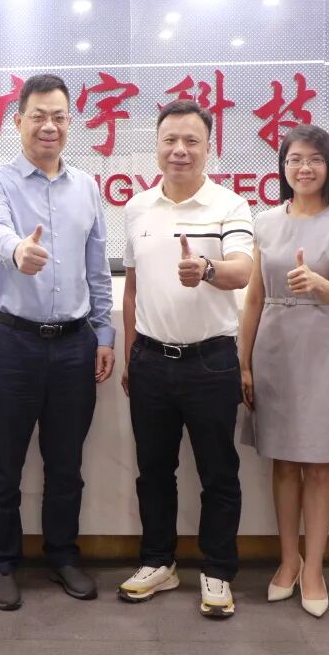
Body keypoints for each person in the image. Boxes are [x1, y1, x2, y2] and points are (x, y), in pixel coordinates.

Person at [0, 73, 115, 611]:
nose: (49, 126)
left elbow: (97, 267)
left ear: (70, 123)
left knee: (65, 464)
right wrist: (17, 251)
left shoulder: (87, 186)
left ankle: (62, 555)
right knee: (3, 462)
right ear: (18, 121)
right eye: (38, 116)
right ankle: (1, 563)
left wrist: (104, 333)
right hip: (11, 342)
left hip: (75, 345)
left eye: (58, 116)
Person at [117, 100, 253, 618]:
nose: (180, 150)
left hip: (211, 362)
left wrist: (207, 270)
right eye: (170, 140)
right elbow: (132, 289)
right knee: (153, 471)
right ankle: (159, 562)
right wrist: (131, 353)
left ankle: (218, 571)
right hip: (150, 361)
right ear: (156, 146)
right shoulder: (137, 208)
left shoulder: (229, 205)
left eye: (191, 141)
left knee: (219, 473)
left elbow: (243, 270)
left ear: (208, 147)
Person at [238, 125, 329, 618]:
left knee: (318, 463)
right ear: (283, 167)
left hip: (322, 349)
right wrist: (243, 361)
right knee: (284, 461)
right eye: (294, 159)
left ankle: (314, 568)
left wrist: (314, 281)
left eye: (314, 159)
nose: (304, 168)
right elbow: (253, 297)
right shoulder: (265, 221)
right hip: (273, 349)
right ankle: (288, 560)